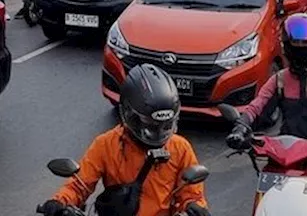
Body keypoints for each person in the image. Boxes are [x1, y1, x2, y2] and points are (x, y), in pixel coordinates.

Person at [229, 14, 307, 215]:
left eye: (304, 43)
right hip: (284, 157)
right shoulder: (278, 80)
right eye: (295, 43)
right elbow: (256, 107)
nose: (300, 47)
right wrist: (241, 127)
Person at [40, 64, 210, 216]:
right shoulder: (106, 145)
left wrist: (194, 206)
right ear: (128, 114)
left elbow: (191, 194)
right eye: (150, 126)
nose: (158, 133)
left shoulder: (180, 148)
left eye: (165, 126)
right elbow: (79, 185)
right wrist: (59, 202)